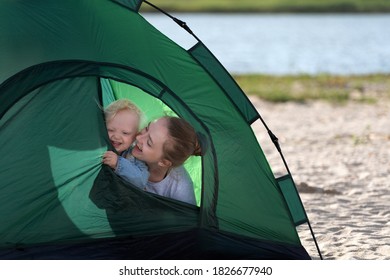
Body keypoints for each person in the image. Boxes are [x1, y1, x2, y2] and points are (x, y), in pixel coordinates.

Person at [130, 116, 201, 205]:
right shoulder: (130, 143)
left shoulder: (181, 192)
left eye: (149, 142)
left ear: (163, 162)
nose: (139, 138)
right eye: (147, 128)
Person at [102, 99, 149, 188]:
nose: (116, 136)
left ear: (135, 136)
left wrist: (118, 163)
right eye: (110, 130)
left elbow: (141, 180)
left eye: (125, 133)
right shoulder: (99, 146)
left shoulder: (134, 156)